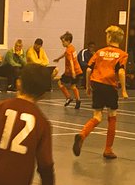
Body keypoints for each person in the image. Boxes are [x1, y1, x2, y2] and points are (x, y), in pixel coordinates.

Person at [74, 26, 128, 160]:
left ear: (109, 37)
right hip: (110, 86)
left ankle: (82, 135)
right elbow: (121, 72)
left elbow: (88, 70)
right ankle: (108, 149)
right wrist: (124, 90)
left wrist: (87, 86)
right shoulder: (122, 54)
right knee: (112, 115)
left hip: (96, 84)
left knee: (97, 116)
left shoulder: (99, 52)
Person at [52, 32, 82, 109]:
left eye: (63, 41)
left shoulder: (69, 50)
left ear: (68, 41)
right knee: (73, 86)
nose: (62, 43)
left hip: (71, 72)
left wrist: (72, 72)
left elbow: (71, 61)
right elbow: (65, 54)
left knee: (60, 83)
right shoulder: (72, 48)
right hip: (78, 70)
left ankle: (68, 97)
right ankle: (78, 100)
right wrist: (58, 59)